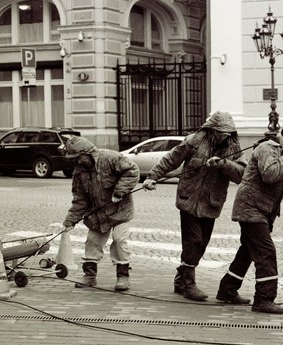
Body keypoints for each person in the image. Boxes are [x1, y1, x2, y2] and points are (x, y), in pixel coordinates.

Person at [142, 111, 247, 302]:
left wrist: (223, 164)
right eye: (220, 132)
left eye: (227, 132)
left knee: (202, 244)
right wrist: (152, 177)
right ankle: (188, 285)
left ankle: (181, 278)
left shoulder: (234, 147)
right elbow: (170, 159)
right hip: (188, 200)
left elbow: (241, 175)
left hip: (212, 202)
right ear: (211, 130)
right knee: (193, 241)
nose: (224, 136)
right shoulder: (194, 141)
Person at [216, 120, 283, 314]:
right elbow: (270, 174)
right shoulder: (268, 148)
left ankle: (227, 290)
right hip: (251, 209)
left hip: (262, 211)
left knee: (248, 251)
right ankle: (264, 299)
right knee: (266, 253)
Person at [62, 136, 140, 291]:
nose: (77, 162)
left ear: (87, 153)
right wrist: (70, 220)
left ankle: (123, 276)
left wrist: (120, 191)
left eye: (78, 158)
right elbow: (79, 199)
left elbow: (133, 171)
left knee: (119, 240)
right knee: (92, 242)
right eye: (74, 160)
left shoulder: (110, 158)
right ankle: (89, 276)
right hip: (97, 215)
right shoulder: (78, 173)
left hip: (120, 211)